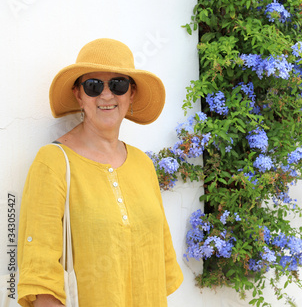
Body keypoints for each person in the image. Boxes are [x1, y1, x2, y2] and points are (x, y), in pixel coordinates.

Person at [17, 38, 183, 307]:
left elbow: (159, 270)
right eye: (93, 86)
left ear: (132, 93)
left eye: (118, 84)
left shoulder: (143, 165)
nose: (107, 95)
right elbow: (40, 275)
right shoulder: (54, 163)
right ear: (78, 95)